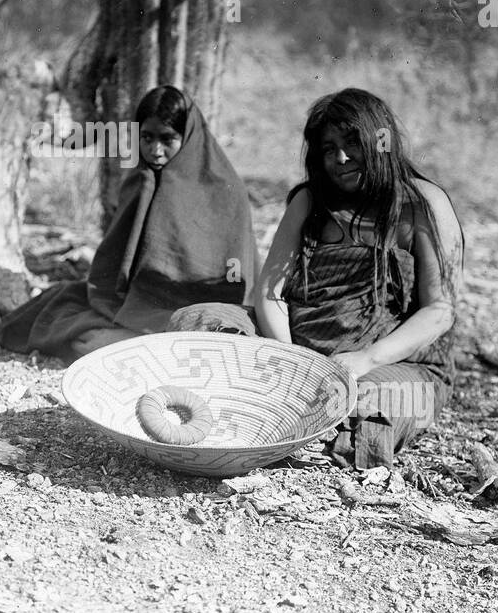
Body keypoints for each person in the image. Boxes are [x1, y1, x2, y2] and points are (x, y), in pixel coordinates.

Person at [169, 88, 464, 469]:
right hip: (293, 348)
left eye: (352, 143)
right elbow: (271, 294)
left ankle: (274, 414)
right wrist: (289, 359)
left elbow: (441, 310)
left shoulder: (423, 203)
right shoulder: (310, 201)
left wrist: (365, 359)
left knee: (378, 405)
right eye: (328, 149)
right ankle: (272, 405)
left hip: (382, 361)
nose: (341, 159)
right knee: (199, 323)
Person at [0, 85, 260, 362]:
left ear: (189, 137)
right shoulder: (141, 181)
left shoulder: (224, 190)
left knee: (201, 335)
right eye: (147, 138)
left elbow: (237, 277)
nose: (155, 150)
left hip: (205, 306)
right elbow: (116, 267)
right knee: (82, 333)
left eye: (167, 139)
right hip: (143, 305)